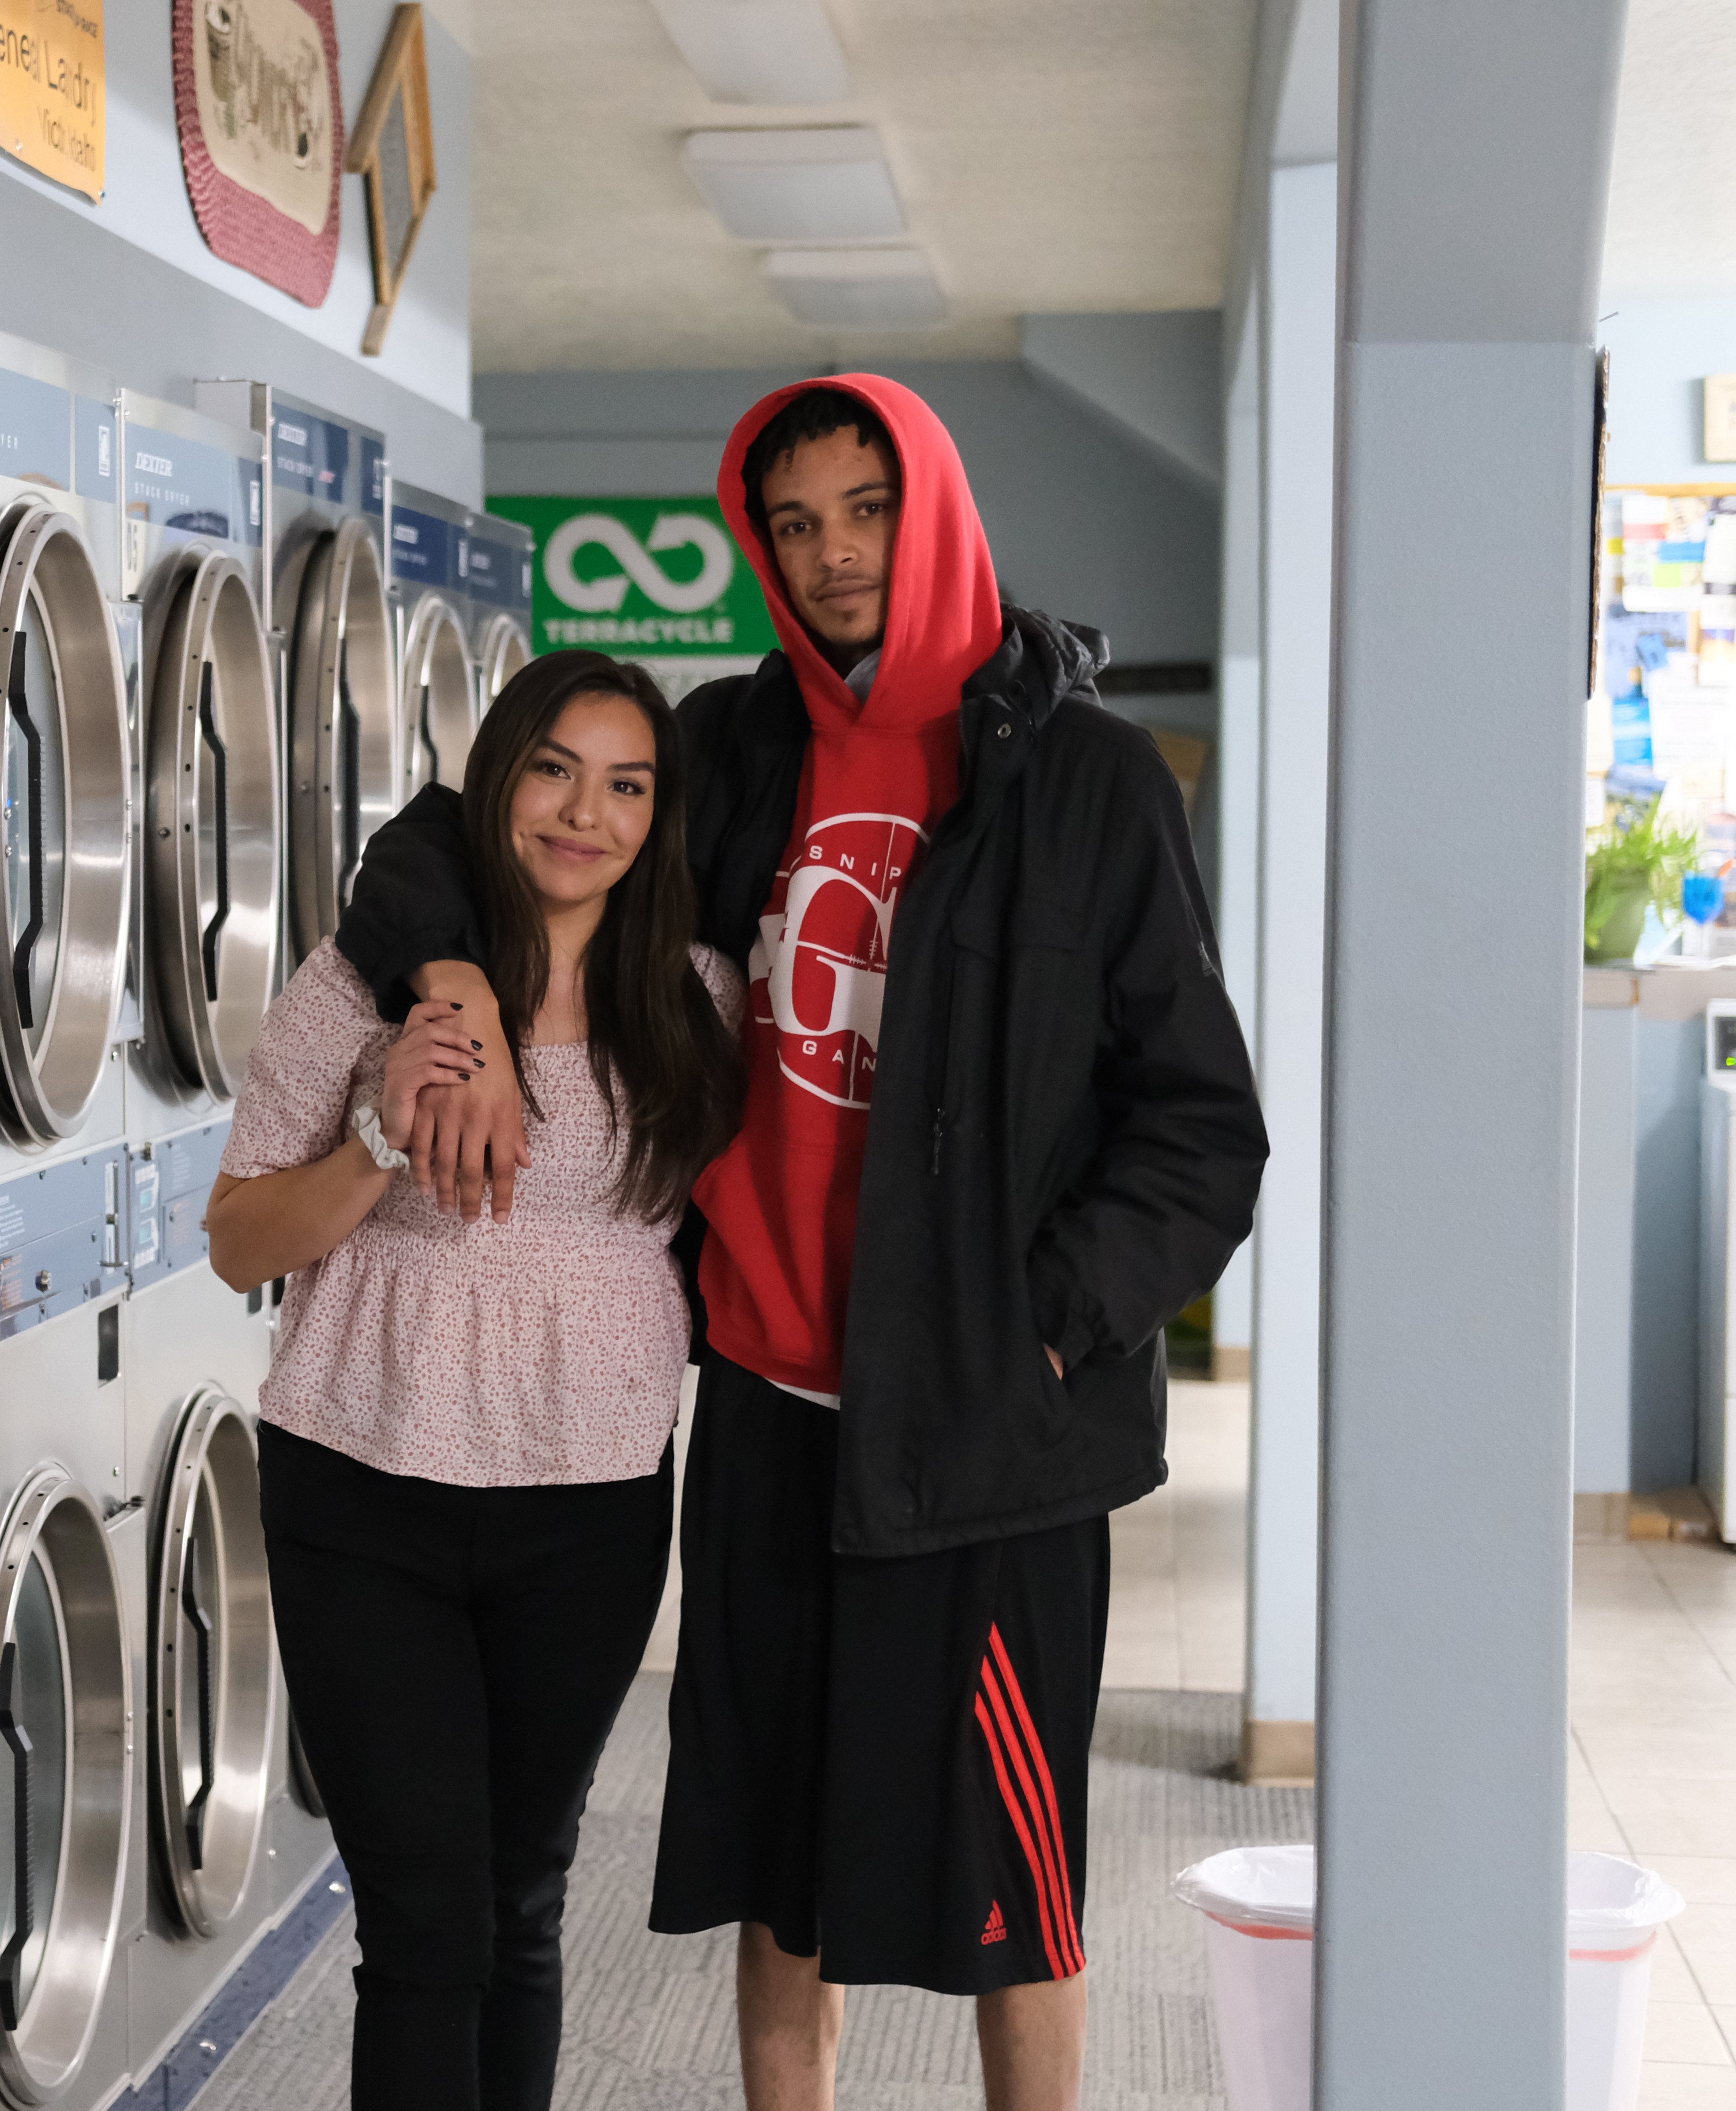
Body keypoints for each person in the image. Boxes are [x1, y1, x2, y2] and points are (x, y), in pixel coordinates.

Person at [333, 377, 1267, 2111]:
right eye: (795, 522)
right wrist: (441, 971)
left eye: (868, 508)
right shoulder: (740, 751)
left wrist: (1041, 1322)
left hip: (992, 1435)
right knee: (781, 1859)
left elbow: (1203, 1126)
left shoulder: (1091, 780)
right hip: (770, 1401)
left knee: (1020, 1875)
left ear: (937, 510)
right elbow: (476, 831)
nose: (834, 554)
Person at [205, 651, 745, 2111]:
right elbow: (239, 1235)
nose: (586, 812)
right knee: (425, 1923)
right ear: (496, 778)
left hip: (589, 1503)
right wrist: (380, 1136)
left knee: (519, 1898)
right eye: (554, 770)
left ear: (663, 815)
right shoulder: (369, 981)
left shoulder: (698, 1000)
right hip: (362, 1489)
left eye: (628, 784)